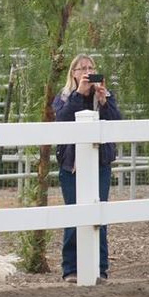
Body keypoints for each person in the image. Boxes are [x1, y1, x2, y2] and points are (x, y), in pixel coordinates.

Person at [52, 54, 122, 283]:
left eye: (90, 67)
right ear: (73, 73)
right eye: (82, 68)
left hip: (99, 165)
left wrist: (104, 102)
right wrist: (78, 95)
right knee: (74, 215)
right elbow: (61, 123)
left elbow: (117, 123)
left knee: (98, 217)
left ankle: (100, 269)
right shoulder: (64, 97)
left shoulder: (104, 95)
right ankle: (71, 269)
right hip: (71, 167)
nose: (87, 71)